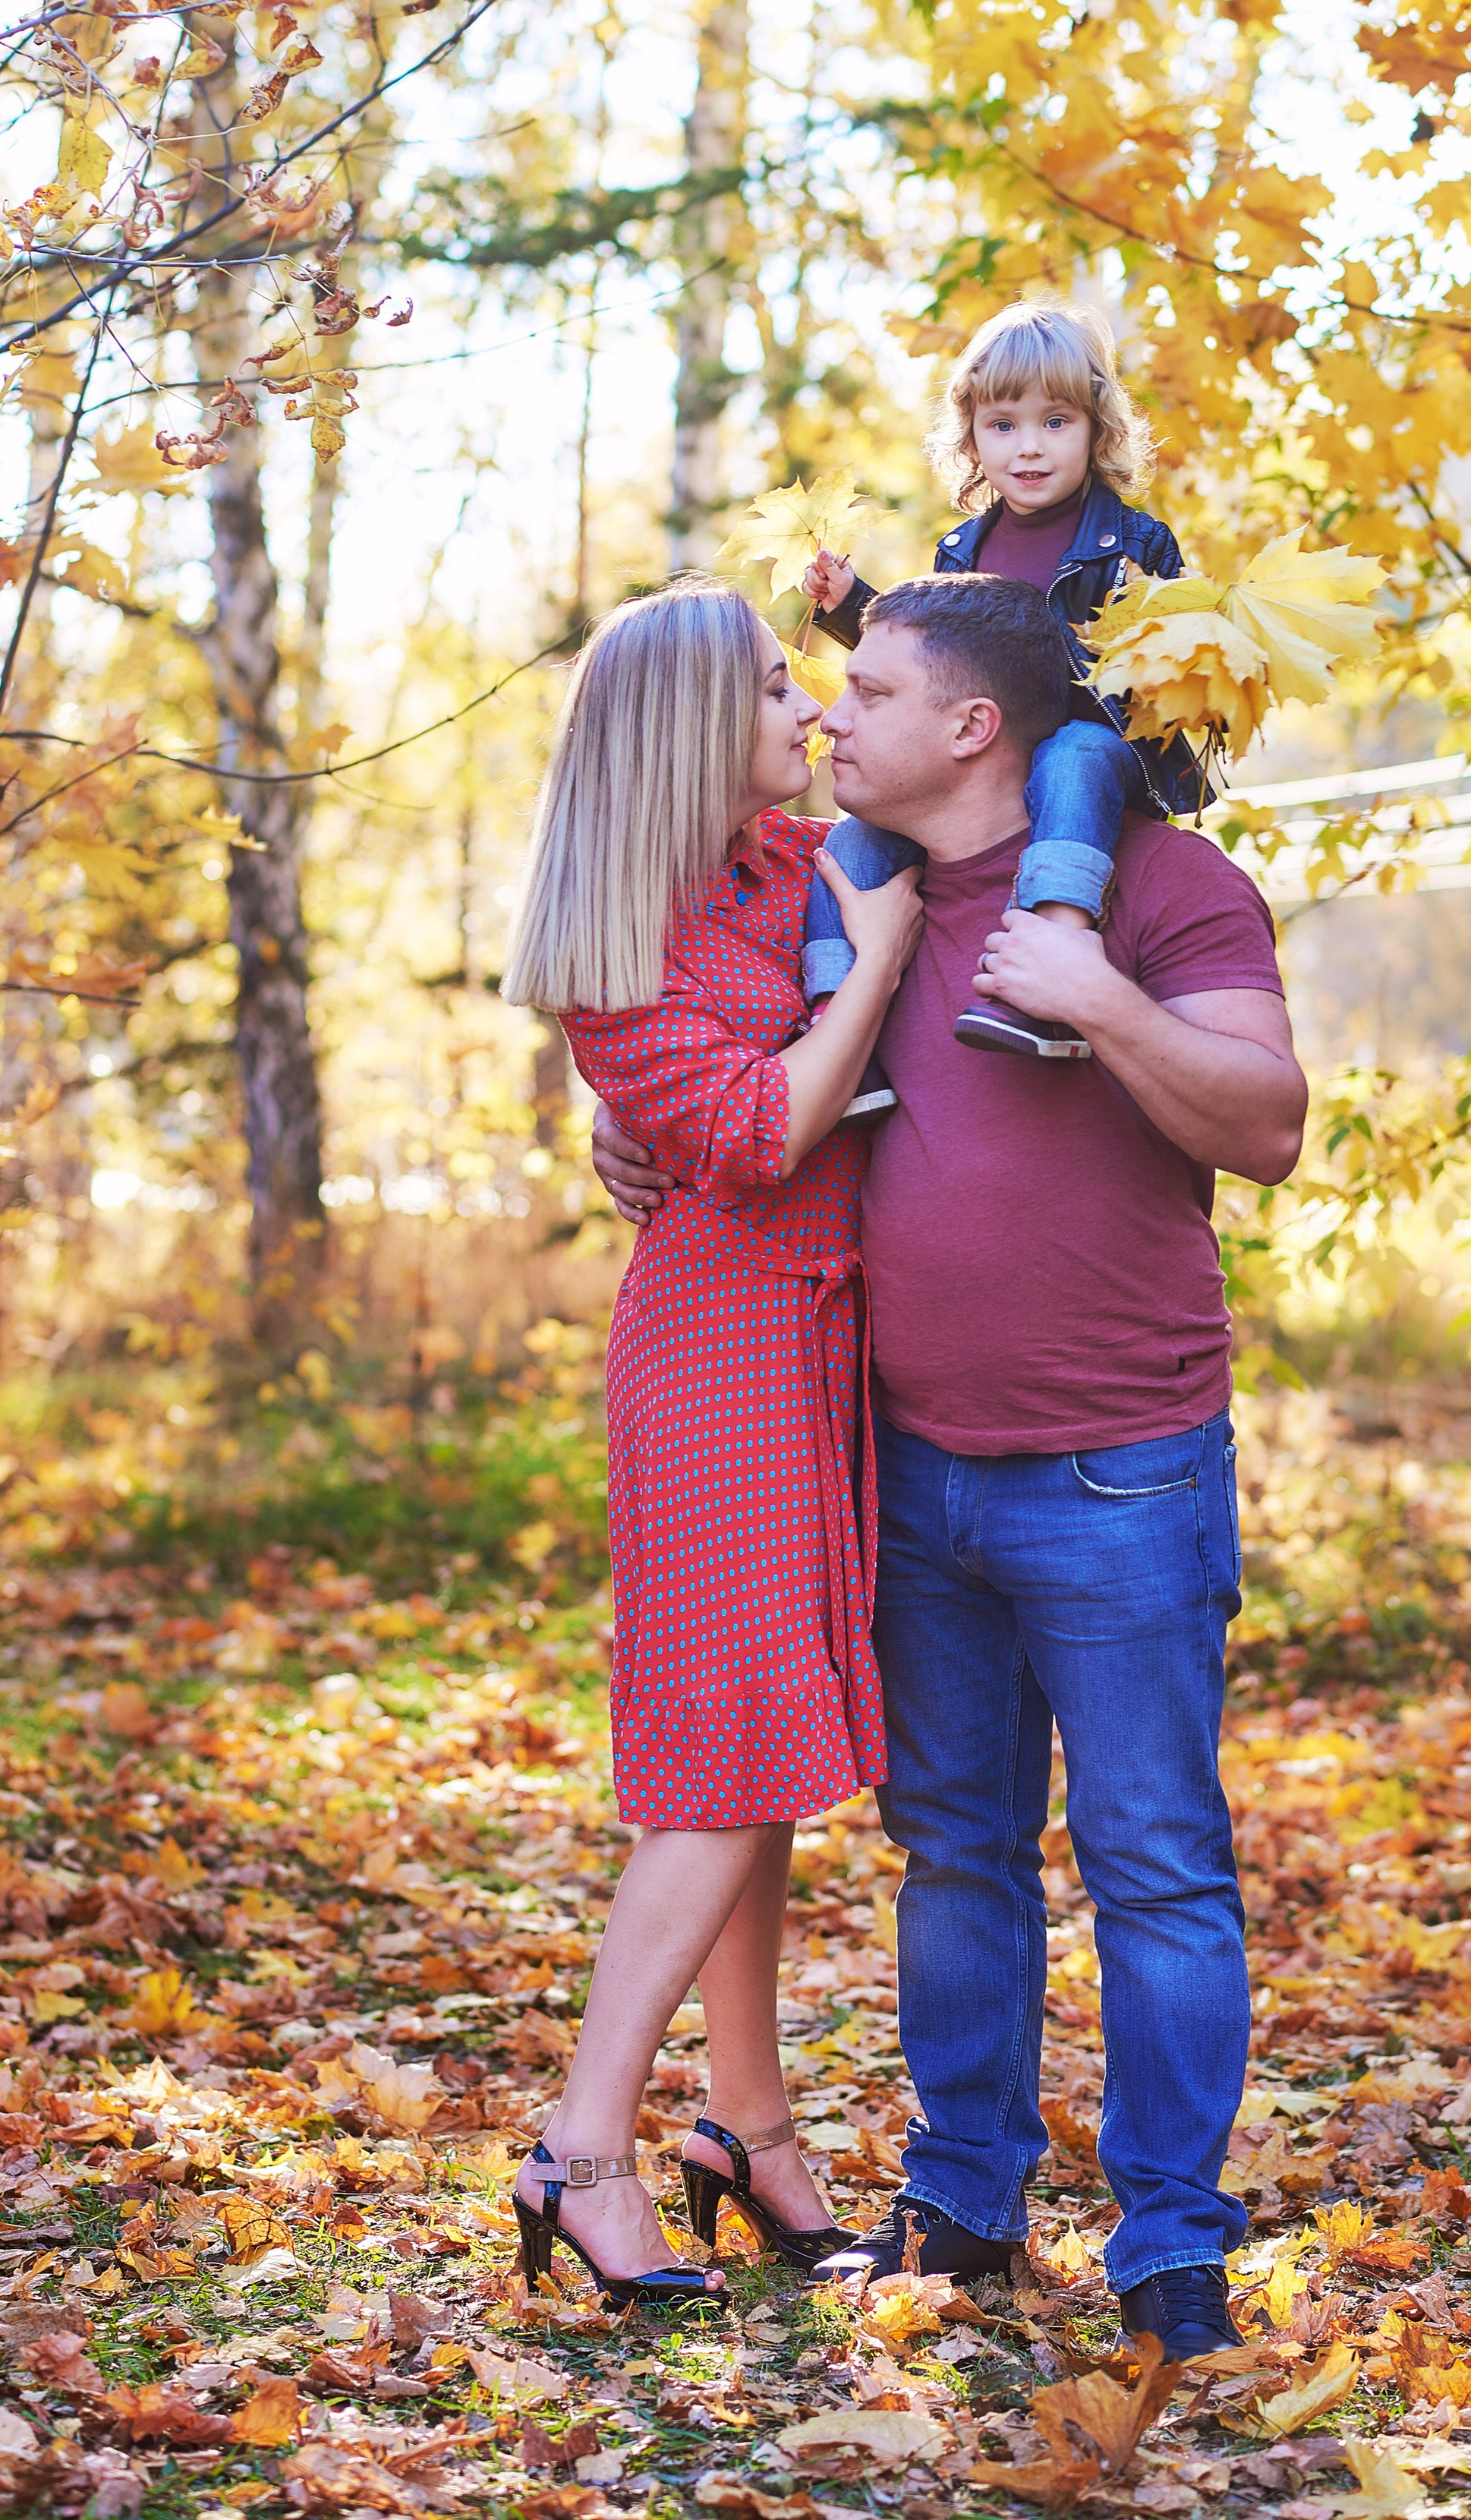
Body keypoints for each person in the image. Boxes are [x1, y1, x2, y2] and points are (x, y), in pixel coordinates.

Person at [591, 578, 1307, 2358]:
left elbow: (1268, 1117)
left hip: (1122, 1466)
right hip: (902, 1461)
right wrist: (620, 1118)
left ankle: (1168, 2237)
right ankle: (965, 2197)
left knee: (1149, 1860)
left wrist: (1102, 1003)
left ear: (971, 725)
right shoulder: (843, 882)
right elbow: (697, 1045)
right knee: (956, 1855)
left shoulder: (1151, 881)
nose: (830, 716)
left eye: (870, 689)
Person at [498, 580, 922, 2309]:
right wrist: (876, 963)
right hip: (716, 1348)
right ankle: (584, 2142)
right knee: (723, 1753)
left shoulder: (793, 852)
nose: (807, 706)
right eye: (770, 686)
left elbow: (961, 756)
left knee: (780, 1739)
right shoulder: (622, 939)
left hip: (818, 1339)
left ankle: (743, 2121)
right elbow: (749, 1129)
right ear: (688, 726)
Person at [798, 298, 1204, 1064]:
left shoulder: (1136, 544)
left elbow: (1179, 669)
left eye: (1056, 422)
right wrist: (852, 606)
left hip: (1099, 746)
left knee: (1073, 756)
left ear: (1096, 428)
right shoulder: (962, 550)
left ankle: (1052, 969)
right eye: (1003, 424)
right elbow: (929, 662)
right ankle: (832, 1016)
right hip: (988, 754)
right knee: (853, 838)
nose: (1029, 448)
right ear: (973, 437)